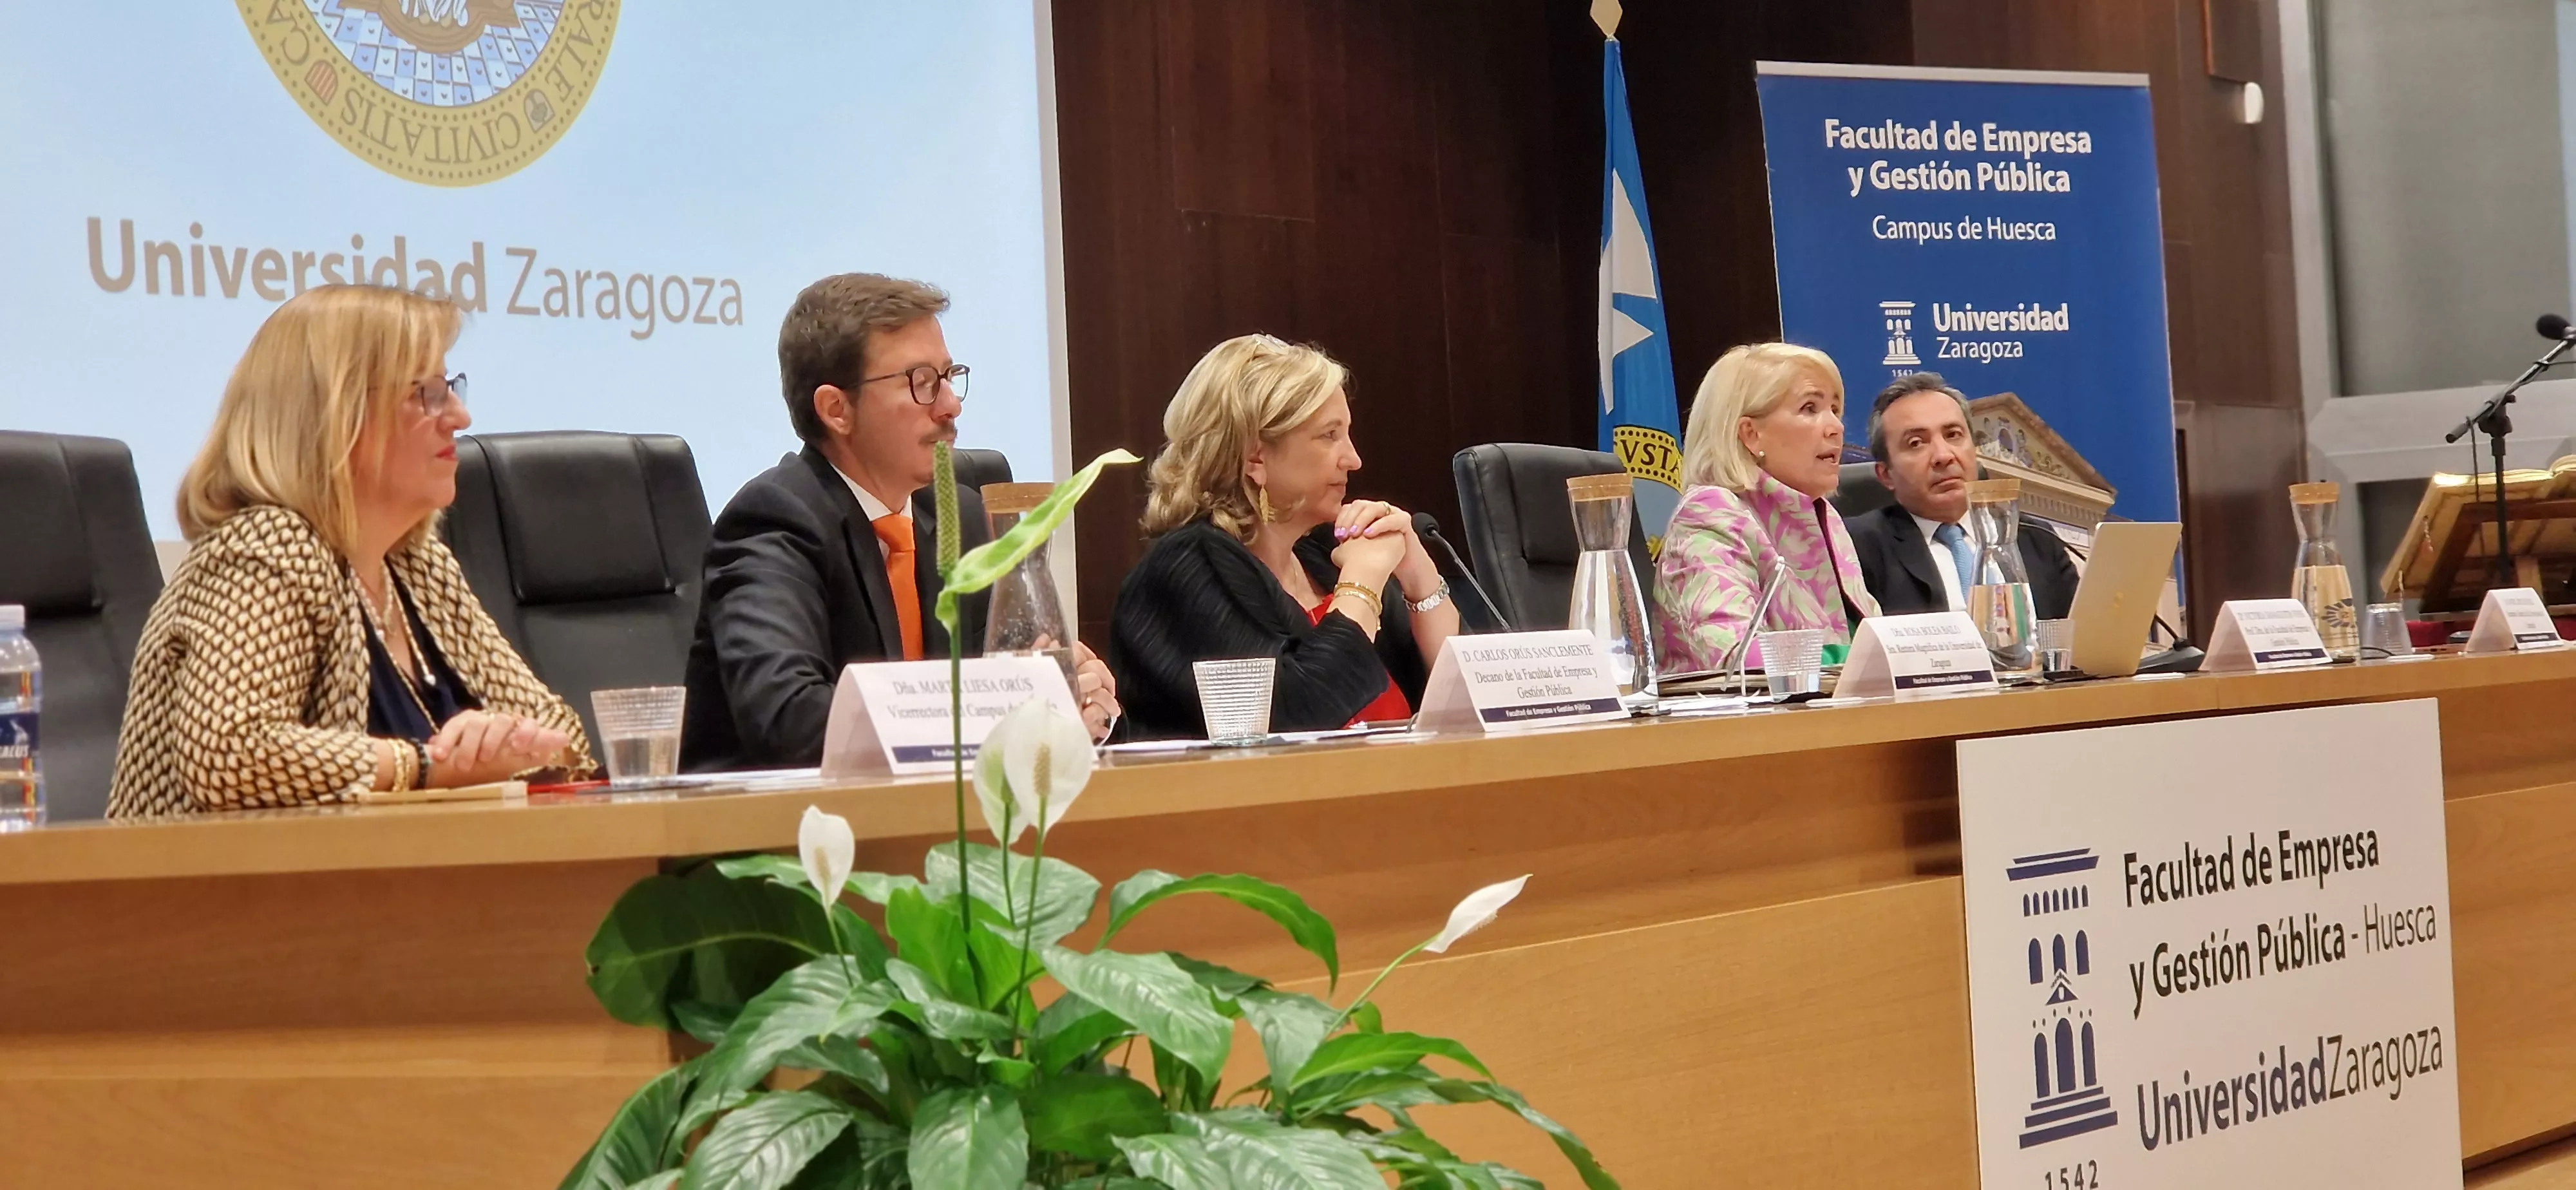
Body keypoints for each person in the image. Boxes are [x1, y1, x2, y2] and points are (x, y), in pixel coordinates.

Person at [107, 285, 591, 817]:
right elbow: (230, 752)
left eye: (451, 388)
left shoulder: (418, 566)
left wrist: (511, 742)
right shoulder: (263, 551)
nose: (459, 416)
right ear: (334, 415)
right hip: (226, 893)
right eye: (425, 394)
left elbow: (565, 741)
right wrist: (430, 765)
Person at [681, 273, 1120, 771]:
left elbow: (1006, 686)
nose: (951, 406)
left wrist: (1064, 700)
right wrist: (1001, 713)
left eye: (949, 377)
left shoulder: (965, 519)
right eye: (921, 383)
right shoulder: (774, 522)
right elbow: (792, 723)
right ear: (836, 409)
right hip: (778, 836)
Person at [1110, 335, 1461, 739]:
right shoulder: (1186, 568)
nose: (1354, 459)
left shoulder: (1324, 556)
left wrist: (1418, 576)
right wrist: (1361, 584)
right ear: (1254, 456)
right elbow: (1298, 715)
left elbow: (1454, 695)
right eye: (1329, 435)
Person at [1653, 342, 1880, 673]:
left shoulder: (1824, 517)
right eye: (1810, 409)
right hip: (1739, 722)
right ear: (1751, 434)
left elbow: (1866, 639)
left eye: (1835, 409)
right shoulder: (1710, 514)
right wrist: (1867, 660)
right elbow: (1735, 657)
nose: (1836, 427)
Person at [1847, 372, 2080, 619]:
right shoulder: (1857, 549)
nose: (1944, 455)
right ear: (1886, 475)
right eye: (1916, 443)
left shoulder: (2036, 539)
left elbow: (2082, 641)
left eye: (1953, 435)